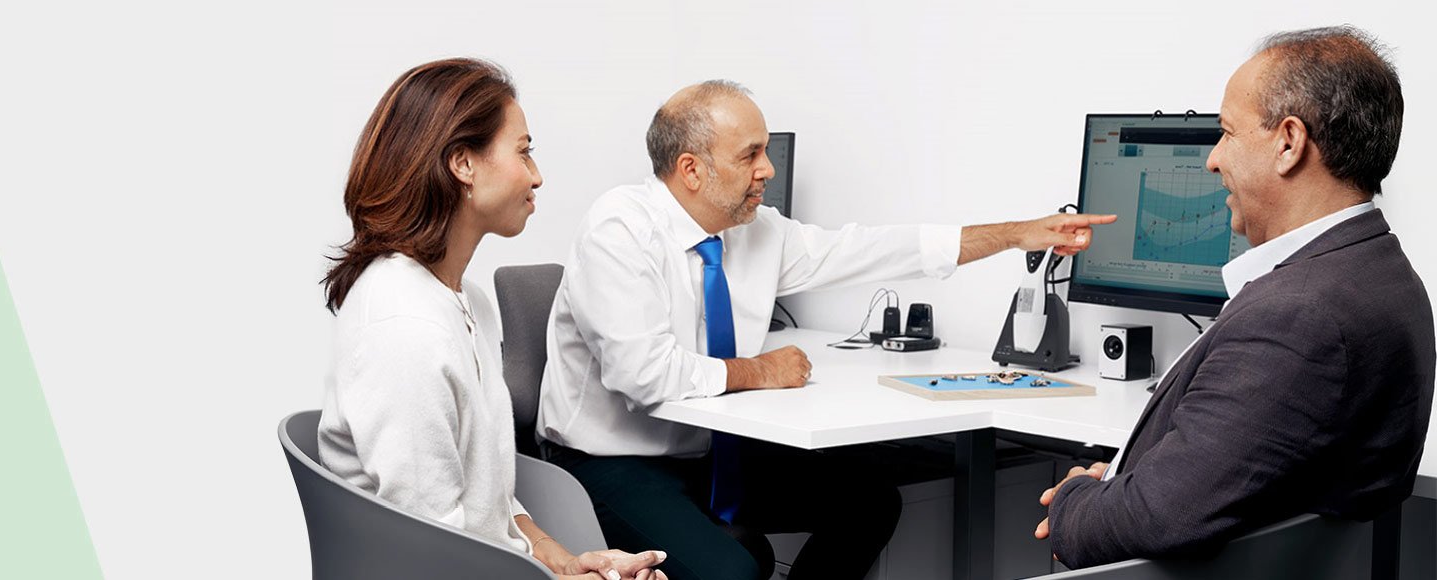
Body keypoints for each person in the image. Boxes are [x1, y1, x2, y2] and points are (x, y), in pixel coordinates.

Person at [535, 79, 1117, 580]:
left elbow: (872, 249)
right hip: (607, 459)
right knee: (733, 570)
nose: (768, 169)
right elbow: (641, 376)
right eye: (751, 155)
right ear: (691, 169)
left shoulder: (757, 231)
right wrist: (759, 370)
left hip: (705, 453)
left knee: (870, 503)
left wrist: (1017, 234)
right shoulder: (618, 231)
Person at [1035, 26, 1434, 568]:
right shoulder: (1381, 274)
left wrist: (1078, 499)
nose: (1212, 160)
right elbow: (1241, 468)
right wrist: (1134, 482)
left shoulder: (1300, 315)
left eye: (1226, 133)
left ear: (1288, 143)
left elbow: (1159, 517)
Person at [317, 58, 667, 580]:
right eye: (523, 152)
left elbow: (488, 505)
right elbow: (433, 549)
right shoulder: (404, 326)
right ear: (463, 163)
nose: (537, 175)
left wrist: (567, 564)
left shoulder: (466, 301)